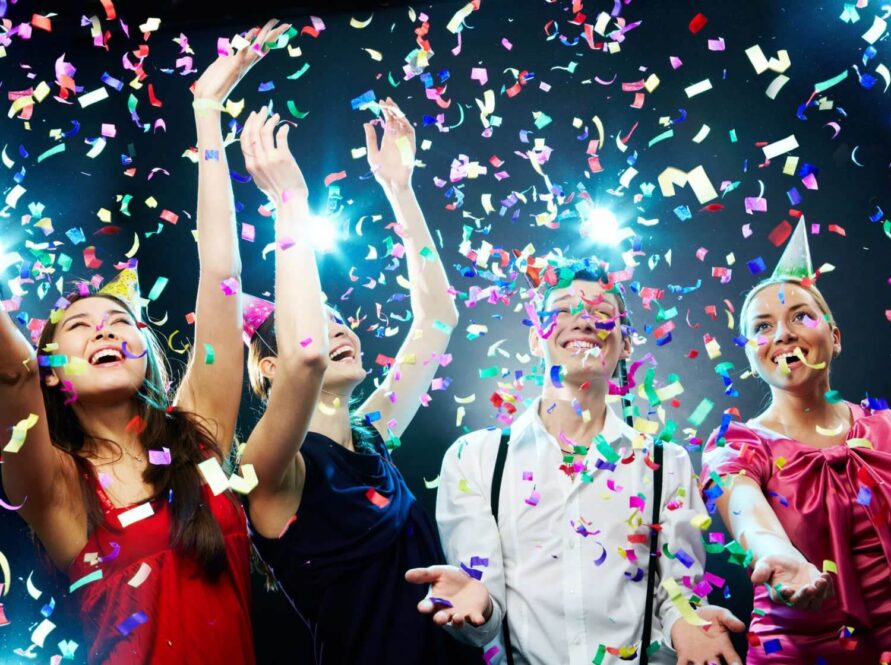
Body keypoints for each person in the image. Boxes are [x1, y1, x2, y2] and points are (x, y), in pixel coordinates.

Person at [0, 20, 289, 664]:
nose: (104, 327)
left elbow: (221, 276)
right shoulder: (57, 488)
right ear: (51, 371)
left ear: (146, 349)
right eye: (78, 326)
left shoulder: (199, 435)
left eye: (120, 321)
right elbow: (10, 375)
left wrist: (207, 112)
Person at [408, 257, 746, 665]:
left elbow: (678, 594)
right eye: (564, 309)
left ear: (625, 343)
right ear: (537, 338)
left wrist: (687, 623)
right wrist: (475, 607)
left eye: (603, 313)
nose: (584, 321)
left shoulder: (668, 463)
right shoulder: (473, 459)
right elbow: (483, 612)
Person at [239, 98, 477, 664]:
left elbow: (439, 317)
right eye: (319, 326)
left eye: (340, 322)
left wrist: (400, 187)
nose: (336, 333)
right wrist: (289, 204)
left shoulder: (373, 431)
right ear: (266, 367)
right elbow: (306, 358)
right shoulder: (269, 467)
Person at [700, 219, 890, 663]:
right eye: (762, 326)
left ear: (835, 338)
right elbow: (747, 515)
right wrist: (778, 555)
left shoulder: (885, 429)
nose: (783, 334)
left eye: (800, 316)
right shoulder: (735, 445)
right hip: (795, 655)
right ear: (751, 354)